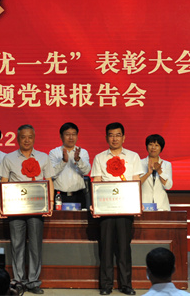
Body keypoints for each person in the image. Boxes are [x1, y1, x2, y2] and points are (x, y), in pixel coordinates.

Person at [0, 124, 54, 295]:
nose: (27, 140)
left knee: (35, 245)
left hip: (37, 208)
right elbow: (3, 182)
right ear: (17, 139)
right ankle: (19, 281)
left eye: (30, 137)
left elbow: (49, 181)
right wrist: (0, 204)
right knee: (17, 245)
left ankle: (33, 282)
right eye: (23, 137)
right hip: (15, 208)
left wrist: (50, 202)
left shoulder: (44, 157)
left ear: (34, 138)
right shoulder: (8, 158)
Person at [91, 122, 142, 296]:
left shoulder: (133, 157)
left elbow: (136, 181)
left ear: (124, 137)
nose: (114, 138)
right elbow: (97, 182)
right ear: (106, 138)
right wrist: (95, 204)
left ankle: (126, 284)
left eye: (118, 135)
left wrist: (137, 202)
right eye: (111, 135)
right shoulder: (99, 158)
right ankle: (106, 285)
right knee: (106, 248)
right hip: (106, 208)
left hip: (126, 208)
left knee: (124, 247)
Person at [48, 122, 91, 208]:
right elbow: (51, 174)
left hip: (79, 195)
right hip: (59, 196)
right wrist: (63, 161)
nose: (71, 137)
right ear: (61, 136)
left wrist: (78, 160)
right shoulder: (54, 153)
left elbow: (86, 171)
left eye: (74, 134)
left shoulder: (82, 152)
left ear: (77, 136)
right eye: (67, 134)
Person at [139, 134, 173, 211]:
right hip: (144, 205)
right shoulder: (140, 163)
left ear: (161, 148)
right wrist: (148, 173)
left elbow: (168, 186)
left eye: (157, 145)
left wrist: (160, 171)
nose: (153, 148)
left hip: (161, 205)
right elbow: (136, 184)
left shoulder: (166, 164)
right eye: (150, 144)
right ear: (146, 146)